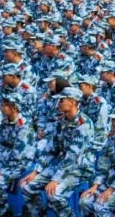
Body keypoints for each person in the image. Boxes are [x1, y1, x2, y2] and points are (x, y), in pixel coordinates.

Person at [20, 87, 95, 217]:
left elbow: (72, 158)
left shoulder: (84, 124)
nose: (58, 103)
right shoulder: (61, 121)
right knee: (26, 186)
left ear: (72, 102)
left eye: (61, 100)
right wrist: (36, 171)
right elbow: (51, 149)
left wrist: (56, 179)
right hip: (61, 165)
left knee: (53, 194)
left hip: (79, 169)